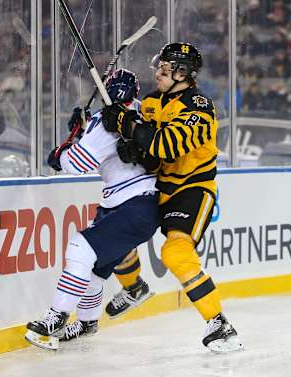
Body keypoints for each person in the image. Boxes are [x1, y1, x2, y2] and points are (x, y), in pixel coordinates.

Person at [101, 42, 243, 353]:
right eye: (159, 67)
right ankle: (134, 288)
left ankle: (220, 324)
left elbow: (166, 145)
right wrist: (128, 141)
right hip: (159, 185)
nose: (158, 73)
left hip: (193, 189)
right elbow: (151, 154)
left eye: (165, 68)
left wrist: (126, 123)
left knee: (176, 254)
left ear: (183, 73)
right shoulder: (152, 102)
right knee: (115, 229)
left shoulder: (200, 107)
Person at [25, 69, 160, 349]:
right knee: (96, 270)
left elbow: (79, 162)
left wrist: (59, 156)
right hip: (141, 206)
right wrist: (85, 129)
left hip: (132, 204)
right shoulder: (140, 112)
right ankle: (87, 322)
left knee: (79, 248)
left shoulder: (105, 120)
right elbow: (113, 144)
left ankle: (56, 316)